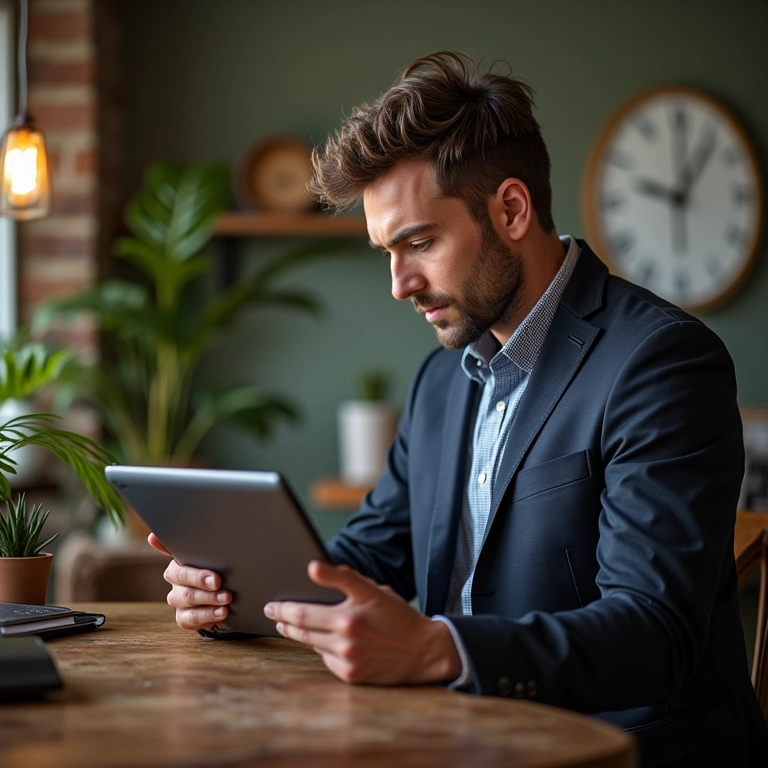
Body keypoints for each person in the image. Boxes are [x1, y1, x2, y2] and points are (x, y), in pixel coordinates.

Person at [149, 51, 768, 767]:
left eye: (419, 243)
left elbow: (655, 631)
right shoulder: (441, 382)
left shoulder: (662, 363)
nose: (399, 284)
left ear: (511, 210)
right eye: (386, 251)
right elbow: (368, 558)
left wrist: (437, 648)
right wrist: (239, 591)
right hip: (461, 743)